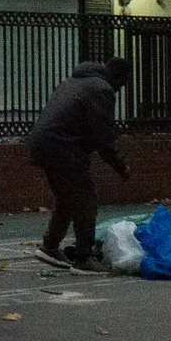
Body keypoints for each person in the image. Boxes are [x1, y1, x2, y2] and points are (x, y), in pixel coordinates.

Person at [30, 56, 132, 271]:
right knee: (86, 199)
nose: (119, 90)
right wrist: (121, 167)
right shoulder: (101, 89)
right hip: (64, 146)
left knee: (67, 197)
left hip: (44, 142)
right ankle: (83, 256)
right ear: (119, 78)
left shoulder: (74, 81)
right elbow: (103, 136)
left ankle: (50, 245)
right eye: (122, 85)